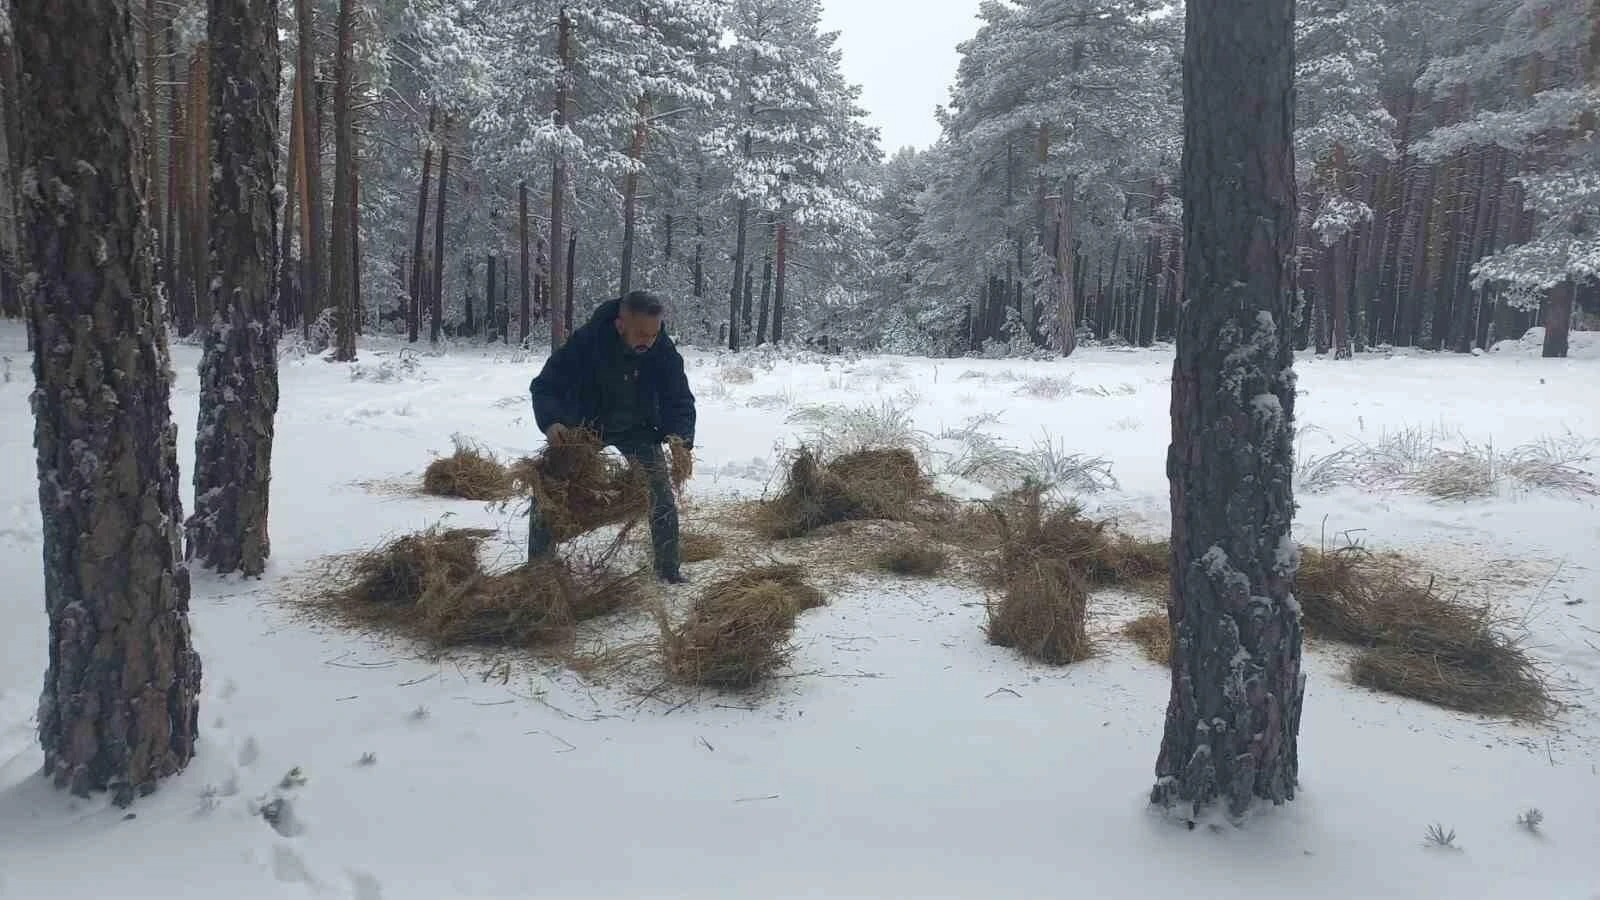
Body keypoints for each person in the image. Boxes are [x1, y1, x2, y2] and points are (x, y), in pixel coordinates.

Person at [528, 289, 696, 582]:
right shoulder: (586, 343)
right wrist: (552, 422)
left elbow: (678, 397)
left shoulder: (661, 348)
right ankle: (539, 571)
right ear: (620, 325)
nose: (649, 341)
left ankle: (668, 571)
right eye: (641, 334)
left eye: (654, 334)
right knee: (548, 490)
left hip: (638, 428)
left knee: (661, 497)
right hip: (586, 428)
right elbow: (545, 386)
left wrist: (681, 439)